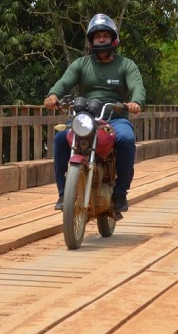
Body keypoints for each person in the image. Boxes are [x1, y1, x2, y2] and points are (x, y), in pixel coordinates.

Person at [44, 13, 145, 212]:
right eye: (97, 36)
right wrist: (53, 95)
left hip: (115, 118)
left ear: (113, 38)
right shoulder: (81, 64)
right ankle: (64, 193)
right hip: (86, 117)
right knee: (60, 138)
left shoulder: (126, 65)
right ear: (91, 40)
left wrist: (135, 102)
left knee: (126, 139)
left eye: (105, 36)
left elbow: (137, 87)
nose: (101, 39)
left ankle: (120, 193)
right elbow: (64, 82)